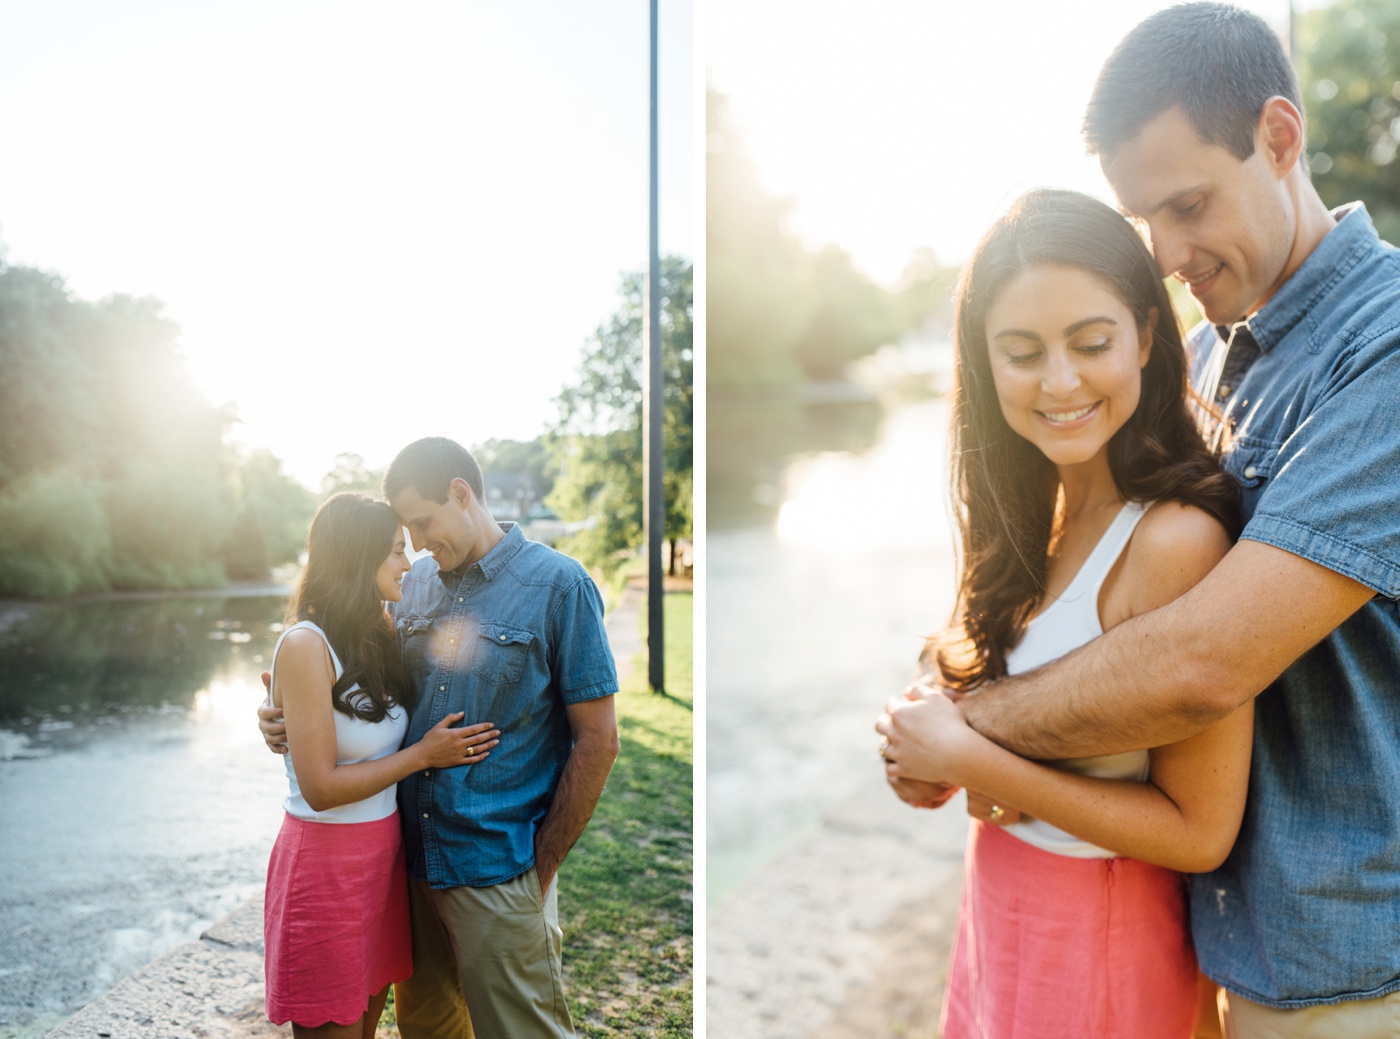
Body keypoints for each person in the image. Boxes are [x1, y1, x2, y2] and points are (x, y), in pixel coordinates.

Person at [881, 5, 1400, 1035]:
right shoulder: (1210, 357)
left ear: (1279, 137)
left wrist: (963, 733)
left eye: (1188, 204)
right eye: (1142, 220)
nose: (1164, 253)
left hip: (1344, 956)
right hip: (1217, 935)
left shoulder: (1379, 349)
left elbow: (1199, 662)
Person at [876, 188, 1249, 1038]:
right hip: (1000, 905)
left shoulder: (1174, 541)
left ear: (1148, 337)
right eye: (1021, 351)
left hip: (1103, 935)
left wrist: (974, 757)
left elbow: (1200, 833)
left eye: (1091, 343)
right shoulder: (1027, 516)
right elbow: (974, 701)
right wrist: (916, 748)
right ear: (983, 362)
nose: (1060, 381)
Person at [261, 437, 619, 1039]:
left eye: (423, 523)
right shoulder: (409, 591)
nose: (419, 544)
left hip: (497, 868)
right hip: (403, 867)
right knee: (428, 1030)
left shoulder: (560, 586)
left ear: (461, 493)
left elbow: (599, 741)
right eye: (408, 531)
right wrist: (280, 718)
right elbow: (346, 688)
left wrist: (543, 866)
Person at [264, 491, 499, 1039]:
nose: (408, 561)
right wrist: (423, 756)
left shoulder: (380, 633)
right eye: (394, 550)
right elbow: (320, 787)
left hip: (382, 859)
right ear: (355, 557)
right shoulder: (305, 645)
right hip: (326, 867)